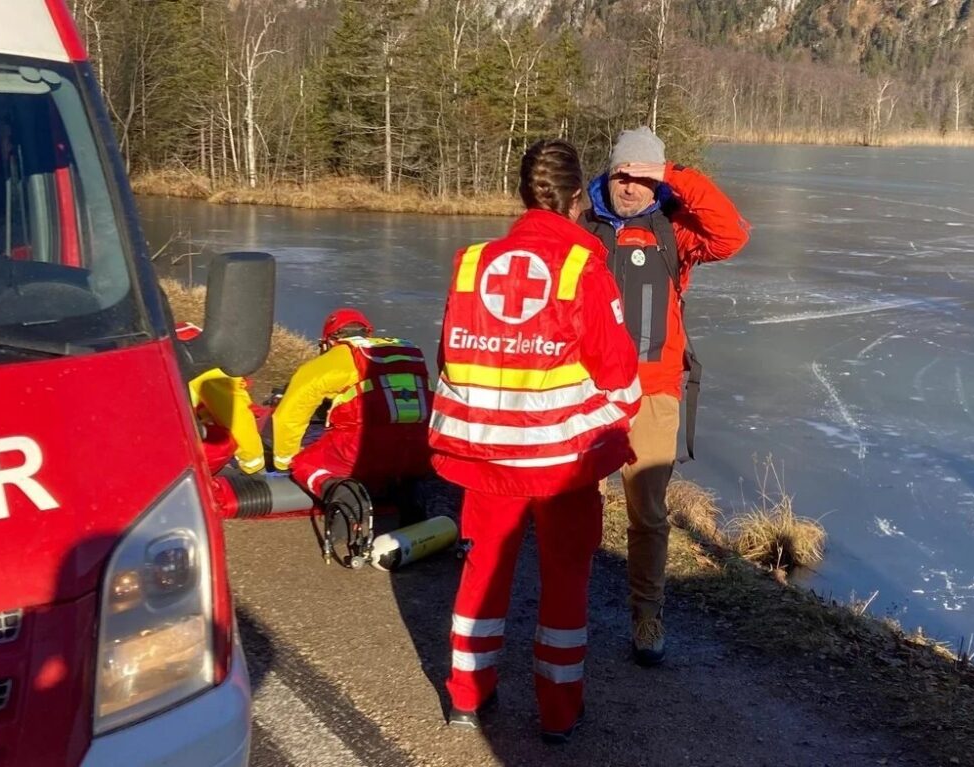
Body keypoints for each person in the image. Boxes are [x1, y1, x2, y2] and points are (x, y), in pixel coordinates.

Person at [430, 138, 641, 744]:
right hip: (559, 464)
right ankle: (557, 712)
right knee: (566, 579)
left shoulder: (471, 263)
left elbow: (449, 355)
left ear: (523, 195)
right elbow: (618, 373)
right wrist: (612, 424)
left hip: (485, 456)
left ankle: (466, 697)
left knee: (483, 571)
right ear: (577, 200)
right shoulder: (583, 268)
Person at [581, 126, 750, 667]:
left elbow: (731, 235)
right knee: (575, 502)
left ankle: (647, 615)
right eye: (622, 175)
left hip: (653, 390)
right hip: (586, 389)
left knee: (648, 512)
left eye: (641, 177)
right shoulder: (583, 229)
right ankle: (568, 603)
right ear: (609, 174)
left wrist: (672, 174)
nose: (630, 186)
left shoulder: (674, 231)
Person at [271, 309, 433, 499]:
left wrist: (284, 462)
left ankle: (343, 494)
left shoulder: (337, 357)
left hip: (362, 451)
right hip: (419, 450)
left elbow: (288, 416)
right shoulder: (405, 351)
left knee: (304, 463)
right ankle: (409, 490)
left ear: (330, 341)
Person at [176, 321, 266, 475]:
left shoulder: (167, 347)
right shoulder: (207, 365)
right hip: (176, 455)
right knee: (221, 443)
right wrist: (253, 464)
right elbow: (236, 417)